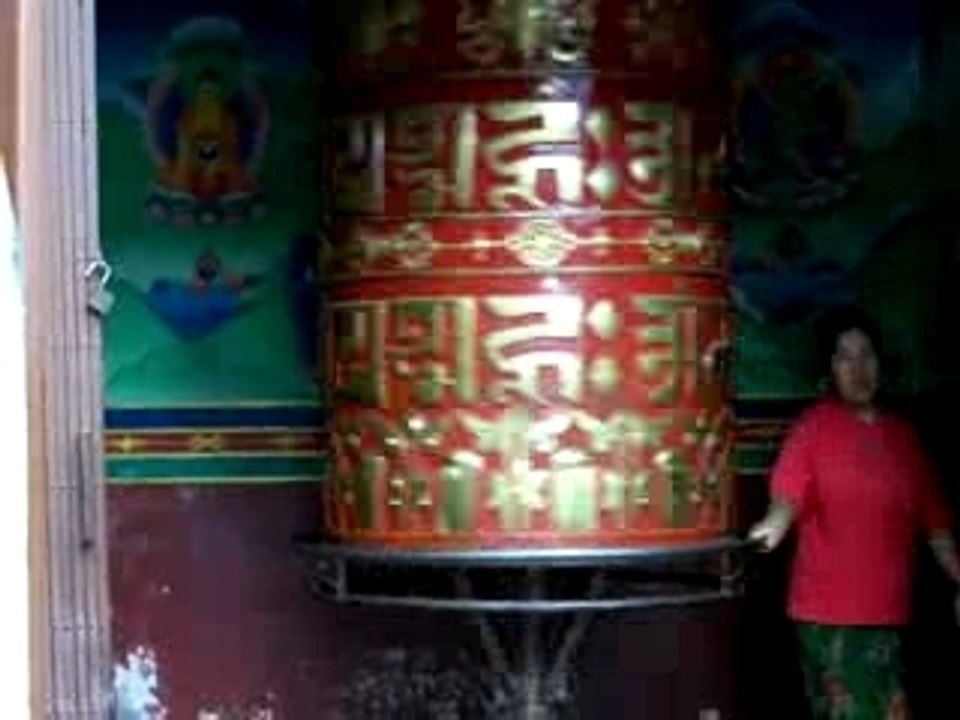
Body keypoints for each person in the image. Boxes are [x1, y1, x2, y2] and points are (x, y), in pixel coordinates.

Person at [749, 306, 960, 719]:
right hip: (829, 618)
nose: (858, 367)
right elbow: (787, 498)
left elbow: (935, 521)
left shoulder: (903, 437)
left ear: (880, 363)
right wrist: (773, 526)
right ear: (830, 368)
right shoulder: (813, 428)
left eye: (866, 355)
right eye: (845, 356)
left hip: (888, 616)